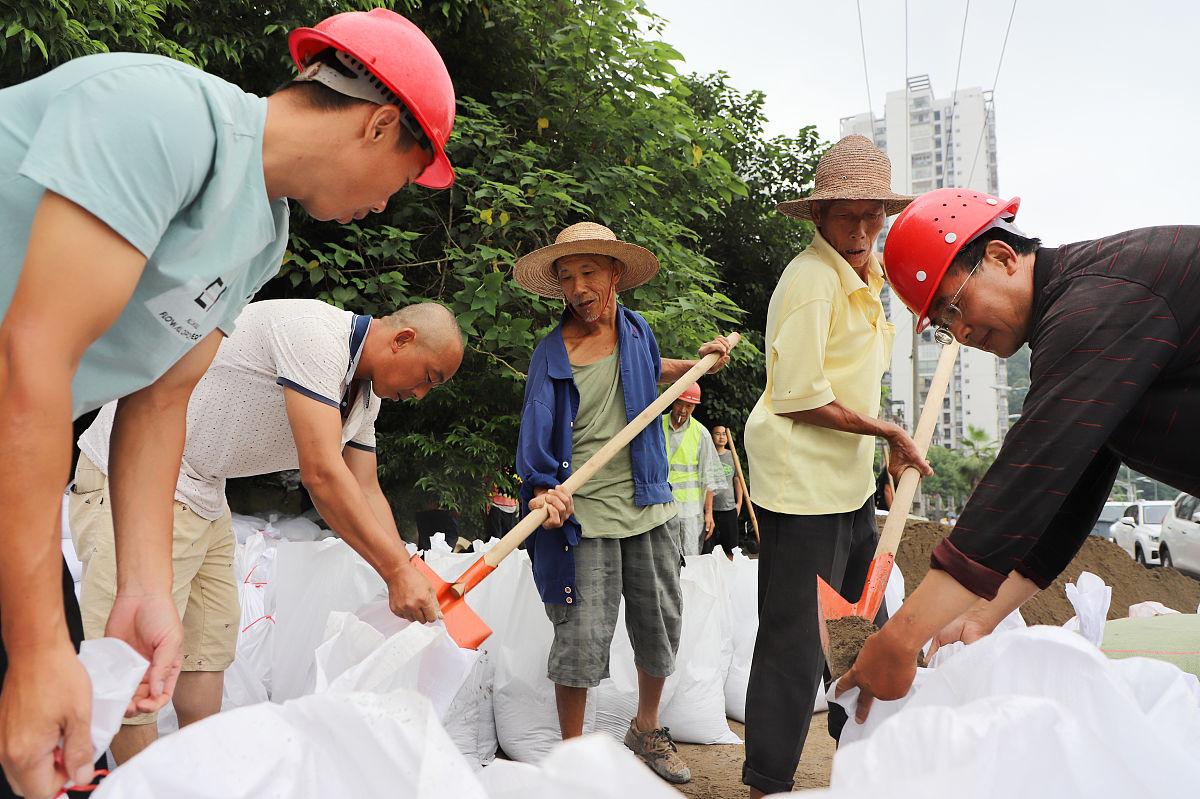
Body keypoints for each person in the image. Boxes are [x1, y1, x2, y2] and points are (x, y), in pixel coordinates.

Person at [0, 9, 456, 797]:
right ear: (381, 125)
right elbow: (33, 363)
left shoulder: (263, 232)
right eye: (404, 181)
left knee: (50, 743)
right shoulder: (162, 117)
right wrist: (38, 648)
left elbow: (162, 395)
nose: (385, 206)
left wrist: (144, 584)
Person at [837, 188, 1200, 720]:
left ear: (1003, 257)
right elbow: (1067, 490)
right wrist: (982, 615)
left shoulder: (1095, 301)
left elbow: (1029, 477)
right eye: (943, 323)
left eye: (954, 306)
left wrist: (900, 637)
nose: (959, 332)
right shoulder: (1081, 316)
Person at [68, 299, 461, 762]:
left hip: (202, 491)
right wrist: (395, 571)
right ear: (402, 340)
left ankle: (197, 779)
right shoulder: (317, 335)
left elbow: (365, 488)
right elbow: (322, 474)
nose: (420, 395)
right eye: (428, 378)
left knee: (206, 650)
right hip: (135, 479)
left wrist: (411, 569)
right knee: (135, 661)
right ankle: (144, 787)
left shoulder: (364, 398)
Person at [740, 135, 931, 798]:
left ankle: (861, 757)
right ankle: (768, 780)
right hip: (801, 489)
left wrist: (877, 449)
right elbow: (799, 395)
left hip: (847, 485)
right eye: (846, 217)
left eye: (871, 216)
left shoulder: (865, 276)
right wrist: (885, 431)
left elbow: (855, 379)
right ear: (818, 218)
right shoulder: (812, 280)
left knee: (859, 627)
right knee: (795, 640)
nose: (859, 230)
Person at [513, 222, 731, 784]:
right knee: (581, 637)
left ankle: (647, 728)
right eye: (567, 277)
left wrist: (697, 365)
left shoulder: (637, 332)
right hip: (583, 516)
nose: (579, 287)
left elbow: (646, 372)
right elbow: (535, 433)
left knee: (659, 626)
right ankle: (573, 758)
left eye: (589, 273)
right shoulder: (552, 355)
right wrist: (542, 491)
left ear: (615, 275)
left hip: (649, 504)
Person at [663, 384, 725, 556]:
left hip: (690, 510)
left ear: (694, 407)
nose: (683, 410)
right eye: (679, 403)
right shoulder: (656, 426)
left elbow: (709, 476)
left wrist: (709, 513)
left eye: (689, 406)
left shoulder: (701, 433)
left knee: (690, 557)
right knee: (662, 557)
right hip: (661, 507)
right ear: (673, 401)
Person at [705, 424, 744, 559]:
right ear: (711, 436)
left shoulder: (732, 456)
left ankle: (730, 575)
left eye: (724, 434)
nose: (721, 437)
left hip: (728, 507)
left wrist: (739, 503)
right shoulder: (707, 456)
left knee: (731, 548)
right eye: (718, 434)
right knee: (707, 548)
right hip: (710, 509)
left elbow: (738, 480)